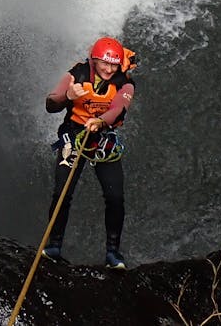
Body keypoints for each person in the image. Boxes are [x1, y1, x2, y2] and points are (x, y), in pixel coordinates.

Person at [42, 36, 136, 268]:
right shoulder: (78, 74)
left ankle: (113, 253)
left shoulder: (125, 83)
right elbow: (51, 103)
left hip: (103, 140)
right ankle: (54, 245)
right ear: (94, 60)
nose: (108, 69)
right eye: (104, 63)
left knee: (115, 197)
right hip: (74, 137)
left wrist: (101, 121)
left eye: (113, 64)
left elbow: (118, 109)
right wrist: (68, 97)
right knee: (62, 192)